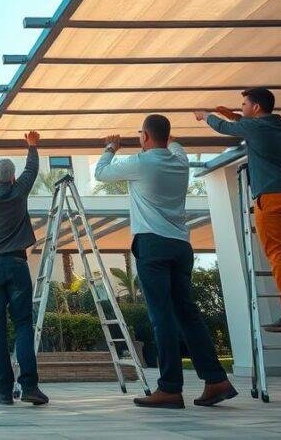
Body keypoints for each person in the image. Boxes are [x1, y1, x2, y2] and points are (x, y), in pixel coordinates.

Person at [94, 115, 237, 409]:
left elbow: (101, 172)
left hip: (153, 245)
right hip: (181, 245)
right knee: (188, 315)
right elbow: (177, 145)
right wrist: (167, 138)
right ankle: (216, 380)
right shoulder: (180, 160)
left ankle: (170, 388)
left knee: (161, 317)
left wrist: (111, 146)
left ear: (145, 136)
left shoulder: (142, 162)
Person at [195, 88, 281, 333]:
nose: (241, 107)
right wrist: (235, 116)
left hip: (272, 197)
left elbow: (225, 129)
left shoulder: (253, 127)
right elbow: (247, 124)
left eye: (244, 104)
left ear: (255, 107)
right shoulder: (280, 125)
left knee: (278, 254)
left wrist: (205, 115)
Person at [0, 131, 50, 407]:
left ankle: (4, 392)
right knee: (23, 325)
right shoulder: (20, 191)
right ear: (13, 178)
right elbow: (32, 169)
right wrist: (32, 145)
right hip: (17, 265)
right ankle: (29, 387)